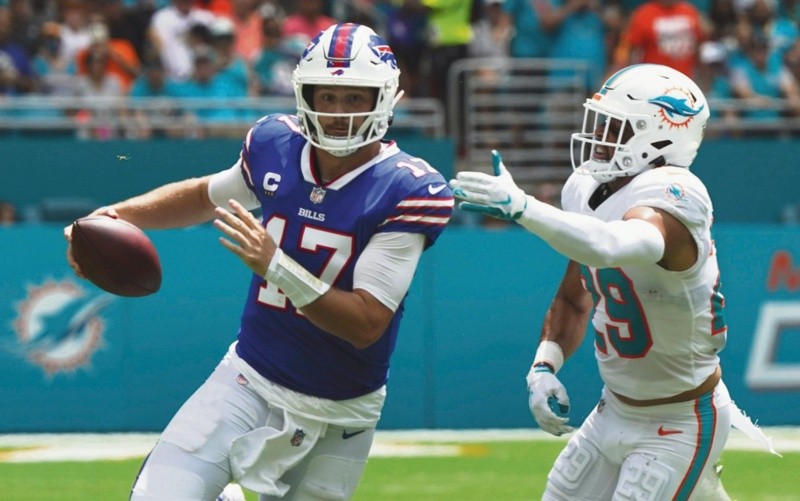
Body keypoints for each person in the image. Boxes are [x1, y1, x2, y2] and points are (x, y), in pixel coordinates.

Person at [63, 22, 453, 500]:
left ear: (385, 98)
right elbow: (203, 196)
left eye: (354, 97)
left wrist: (276, 266)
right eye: (327, 96)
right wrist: (114, 216)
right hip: (248, 380)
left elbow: (365, 323)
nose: (338, 113)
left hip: (341, 414)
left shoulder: (408, 187)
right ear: (304, 94)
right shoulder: (275, 145)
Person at [450, 63, 776, 499]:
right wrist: (544, 366)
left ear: (659, 137)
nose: (599, 136)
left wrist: (524, 208)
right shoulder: (586, 188)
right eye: (600, 122)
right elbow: (575, 296)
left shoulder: (678, 194)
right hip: (613, 410)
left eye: (615, 126)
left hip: (680, 419)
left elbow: (610, 245)